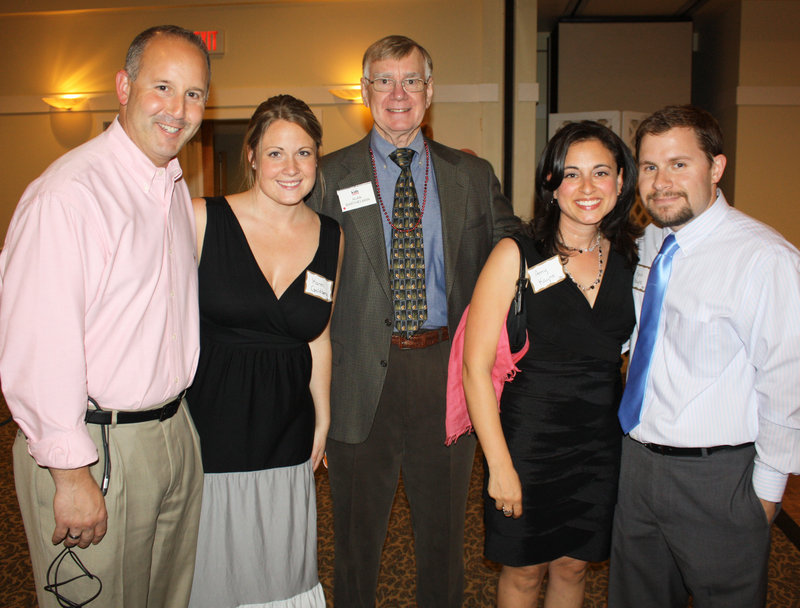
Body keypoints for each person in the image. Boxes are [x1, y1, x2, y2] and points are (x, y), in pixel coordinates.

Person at [0, 25, 210, 608]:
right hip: (97, 445)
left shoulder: (167, 185)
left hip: (170, 433)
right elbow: (39, 345)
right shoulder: (69, 195)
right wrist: (69, 475)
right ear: (123, 86)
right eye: (162, 87)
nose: (178, 109)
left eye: (194, 94)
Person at [307, 34, 517, 606]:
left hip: (446, 374)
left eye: (411, 81)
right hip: (357, 379)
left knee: (445, 540)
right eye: (384, 80)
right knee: (354, 542)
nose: (398, 94)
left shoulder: (470, 176)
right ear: (364, 91)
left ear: (430, 91)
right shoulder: (326, 176)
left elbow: (514, 242)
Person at [608, 105, 800, 608]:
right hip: (638, 466)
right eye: (649, 167)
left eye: (679, 164)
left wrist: (764, 496)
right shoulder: (649, 240)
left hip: (719, 480)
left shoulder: (765, 259)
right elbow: (639, 331)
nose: (661, 182)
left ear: (716, 168)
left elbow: (787, 383)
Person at [462, 121, 641, 607]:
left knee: (575, 567)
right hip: (528, 444)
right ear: (551, 184)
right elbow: (474, 369)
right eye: (571, 173)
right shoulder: (515, 254)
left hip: (599, 445)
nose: (586, 188)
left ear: (621, 181)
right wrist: (498, 465)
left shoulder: (633, 258)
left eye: (601, 173)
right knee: (523, 573)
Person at [186, 95, 341, 608]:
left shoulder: (331, 236)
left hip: (287, 429)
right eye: (276, 153)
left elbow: (317, 334)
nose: (291, 168)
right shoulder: (200, 219)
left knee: (280, 570)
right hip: (209, 425)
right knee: (209, 568)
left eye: (304, 153)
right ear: (251, 155)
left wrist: (322, 416)